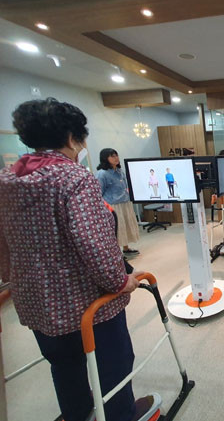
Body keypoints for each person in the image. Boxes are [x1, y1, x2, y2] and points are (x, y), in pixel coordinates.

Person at [0, 98, 160, 421]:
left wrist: (12, 278)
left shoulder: (7, 179)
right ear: (72, 138)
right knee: (113, 364)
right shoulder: (74, 178)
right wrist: (121, 281)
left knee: (63, 365)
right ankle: (121, 415)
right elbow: (94, 243)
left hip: (36, 302)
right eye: (82, 139)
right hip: (86, 305)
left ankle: (77, 414)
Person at [96, 148, 140, 256]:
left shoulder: (120, 171)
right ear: (105, 158)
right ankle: (116, 253)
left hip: (125, 202)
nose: (116, 158)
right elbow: (98, 192)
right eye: (112, 156)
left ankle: (126, 248)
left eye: (116, 155)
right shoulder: (102, 174)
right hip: (113, 205)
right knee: (117, 229)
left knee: (126, 227)